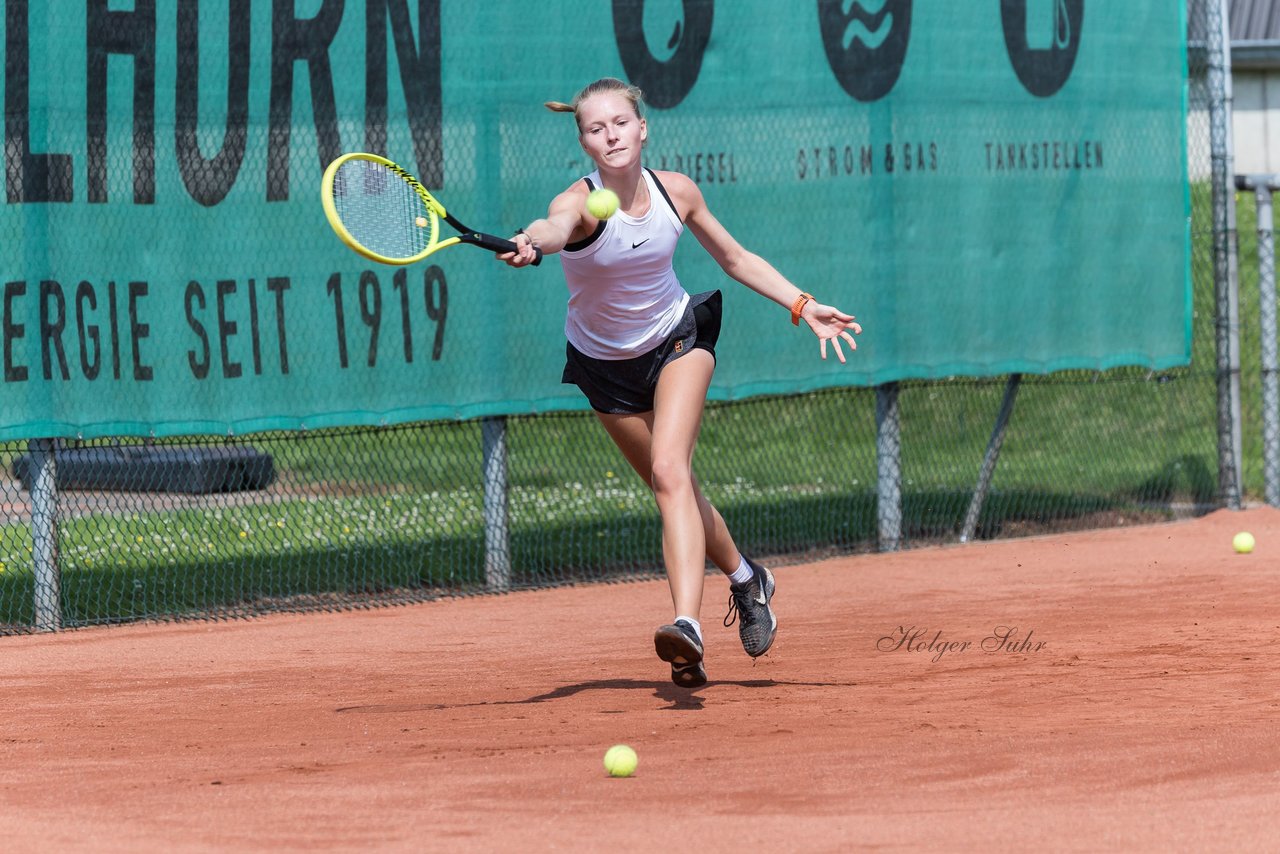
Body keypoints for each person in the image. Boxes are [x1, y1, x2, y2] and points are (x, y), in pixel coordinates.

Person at [499, 77, 861, 689]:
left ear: (643, 128)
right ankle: (748, 579)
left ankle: (686, 627)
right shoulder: (582, 204)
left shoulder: (678, 192)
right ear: (584, 142)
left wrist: (804, 304)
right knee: (679, 492)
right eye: (595, 128)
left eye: (620, 123)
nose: (610, 135)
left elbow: (736, 259)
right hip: (604, 367)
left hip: (677, 340)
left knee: (670, 470)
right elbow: (555, 226)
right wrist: (534, 243)